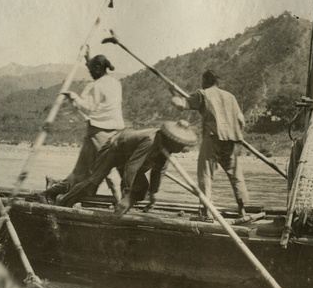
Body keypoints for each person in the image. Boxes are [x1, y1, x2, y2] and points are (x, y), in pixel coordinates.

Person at [56, 120, 197, 217]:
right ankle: (63, 202)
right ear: (172, 140)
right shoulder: (151, 140)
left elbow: (158, 171)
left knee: (142, 188)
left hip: (128, 158)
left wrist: (153, 192)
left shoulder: (166, 148)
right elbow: (131, 168)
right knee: (93, 182)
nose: (182, 148)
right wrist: (127, 194)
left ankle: (121, 211)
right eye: (180, 144)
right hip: (115, 149)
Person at [40, 50, 124, 204]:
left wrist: (73, 96)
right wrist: (87, 57)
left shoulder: (97, 86)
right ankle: (51, 192)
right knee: (82, 171)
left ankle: (120, 204)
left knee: (105, 170)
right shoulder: (115, 83)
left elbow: (88, 107)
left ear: (98, 68)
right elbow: (95, 68)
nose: (90, 73)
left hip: (99, 132)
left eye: (91, 70)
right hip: (108, 131)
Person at [170, 69, 249, 219]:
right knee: (236, 174)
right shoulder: (230, 96)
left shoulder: (202, 94)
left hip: (213, 138)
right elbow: (241, 121)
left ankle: (207, 212)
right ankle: (243, 210)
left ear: (205, 81)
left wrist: (173, 92)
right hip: (230, 140)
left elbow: (181, 105)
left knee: (205, 174)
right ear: (216, 81)